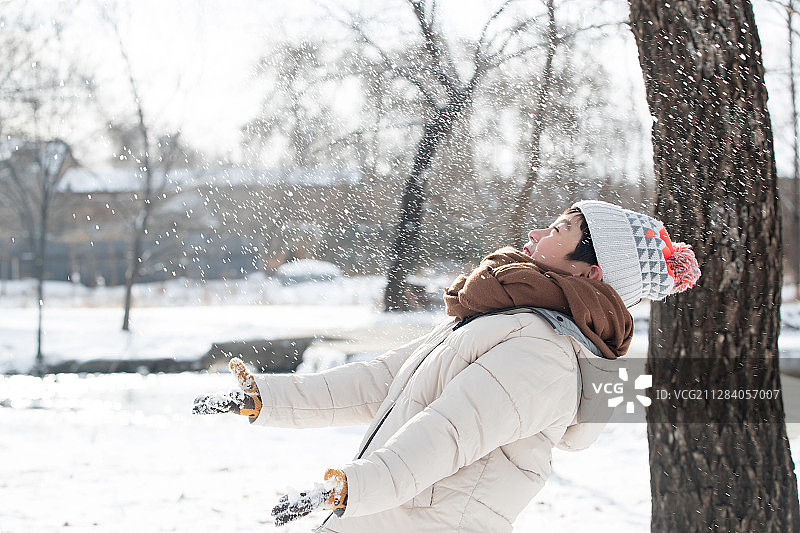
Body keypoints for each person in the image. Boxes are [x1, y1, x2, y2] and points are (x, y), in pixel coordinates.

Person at [193, 200, 701, 532]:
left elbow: (449, 431)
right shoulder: (509, 319)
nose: (536, 231)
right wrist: (268, 398)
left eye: (559, 229)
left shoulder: (547, 352)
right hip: (392, 512)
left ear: (590, 270)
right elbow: (389, 381)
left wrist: (355, 486)